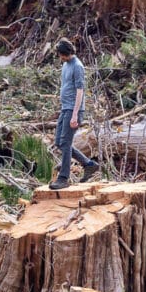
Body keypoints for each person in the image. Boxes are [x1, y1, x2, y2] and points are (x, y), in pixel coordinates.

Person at [50, 38, 99, 190]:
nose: (60, 57)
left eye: (61, 55)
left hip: (74, 109)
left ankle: (63, 178)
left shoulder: (78, 66)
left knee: (66, 144)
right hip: (66, 108)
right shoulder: (65, 64)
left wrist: (75, 114)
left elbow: (80, 91)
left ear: (66, 52)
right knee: (59, 142)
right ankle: (89, 164)